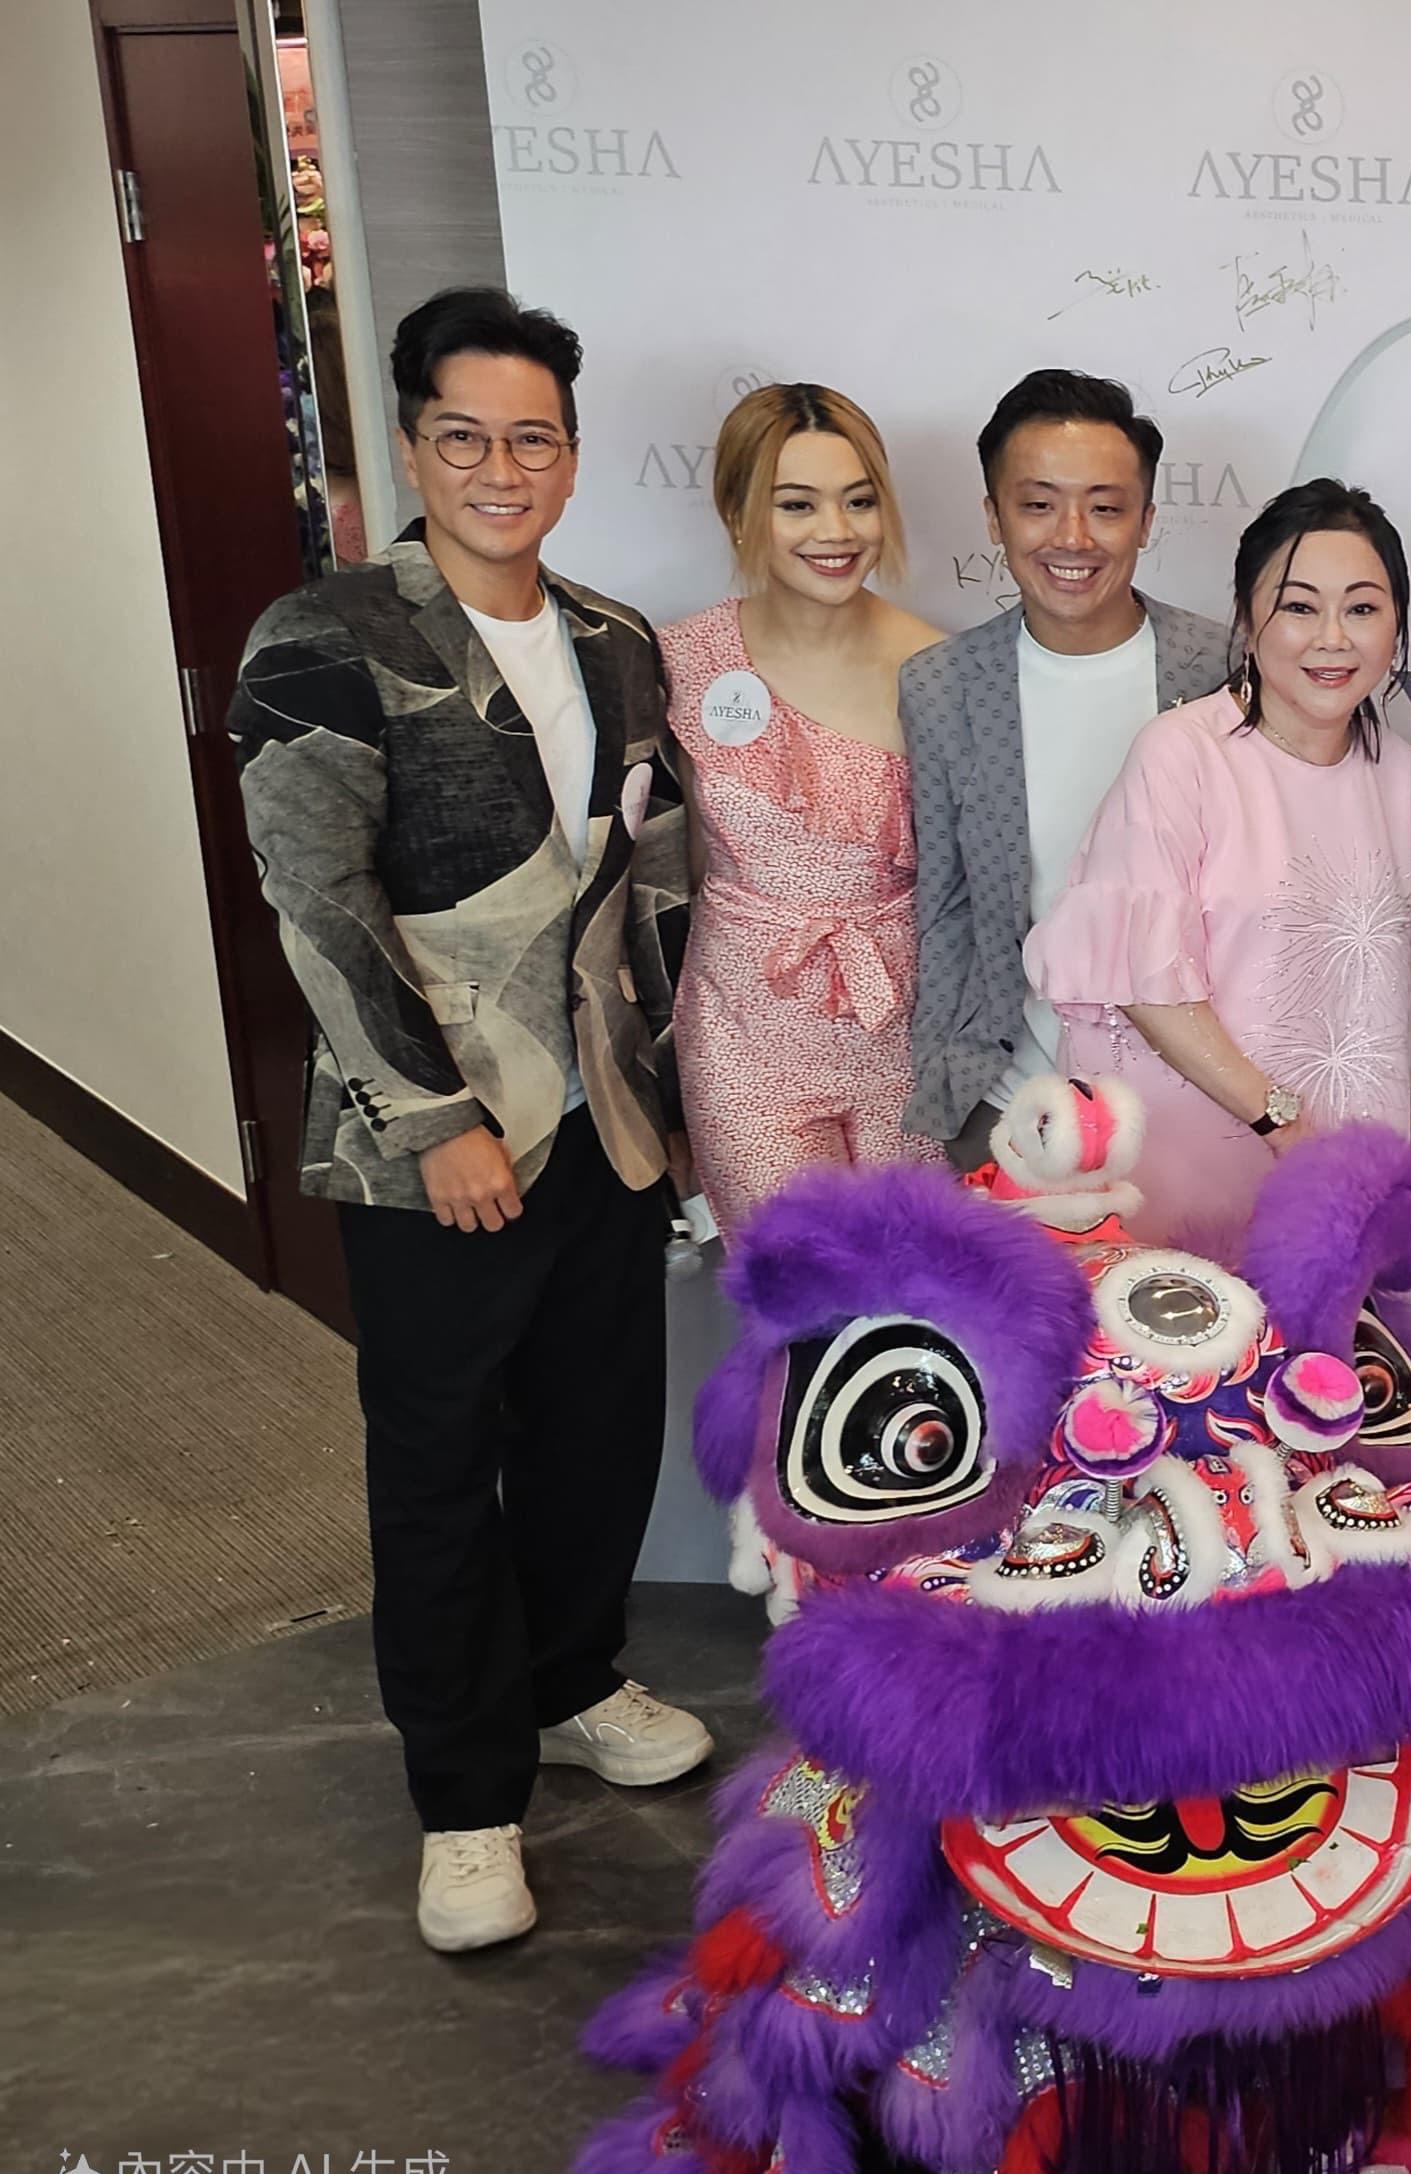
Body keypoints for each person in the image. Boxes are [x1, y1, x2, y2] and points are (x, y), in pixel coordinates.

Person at [229, 287, 710, 1953]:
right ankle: (464, 1792)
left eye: (532, 439)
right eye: (464, 436)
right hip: (434, 1135)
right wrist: (436, 1117)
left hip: (603, 1119)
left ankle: (572, 1677)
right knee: (439, 1458)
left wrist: (669, 1104)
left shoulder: (616, 638)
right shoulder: (326, 634)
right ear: (410, 444)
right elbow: (317, 902)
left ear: (569, 455)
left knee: (597, 1425)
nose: (501, 469)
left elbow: (654, 886)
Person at [1026, 478, 1411, 1248]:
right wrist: (1279, 1120)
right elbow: (1143, 982)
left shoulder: (1402, 774)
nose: (1332, 638)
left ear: (1397, 623)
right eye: (1299, 607)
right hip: (1188, 1171)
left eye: (1362, 609)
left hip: (1347, 1182)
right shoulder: (1183, 755)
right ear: (1246, 617)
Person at [901, 370, 1232, 1169]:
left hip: (1195, 1107)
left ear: (1147, 520)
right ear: (994, 515)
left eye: (1106, 508)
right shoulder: (943, 686)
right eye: (1039, 504)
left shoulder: (1222, 667)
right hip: (1011, 1111)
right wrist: (944, 1086)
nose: (1073, 537)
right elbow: (944, 908)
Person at [660, 383, 942, 1236]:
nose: (836, 531)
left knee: (918, 1288)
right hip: (742, 1037)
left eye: (859, 501)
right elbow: (662, 874)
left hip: (902, 1034)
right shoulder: (681, 660)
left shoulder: (941, 668)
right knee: (799, 1285)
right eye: (797, 504)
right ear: (738, 513)